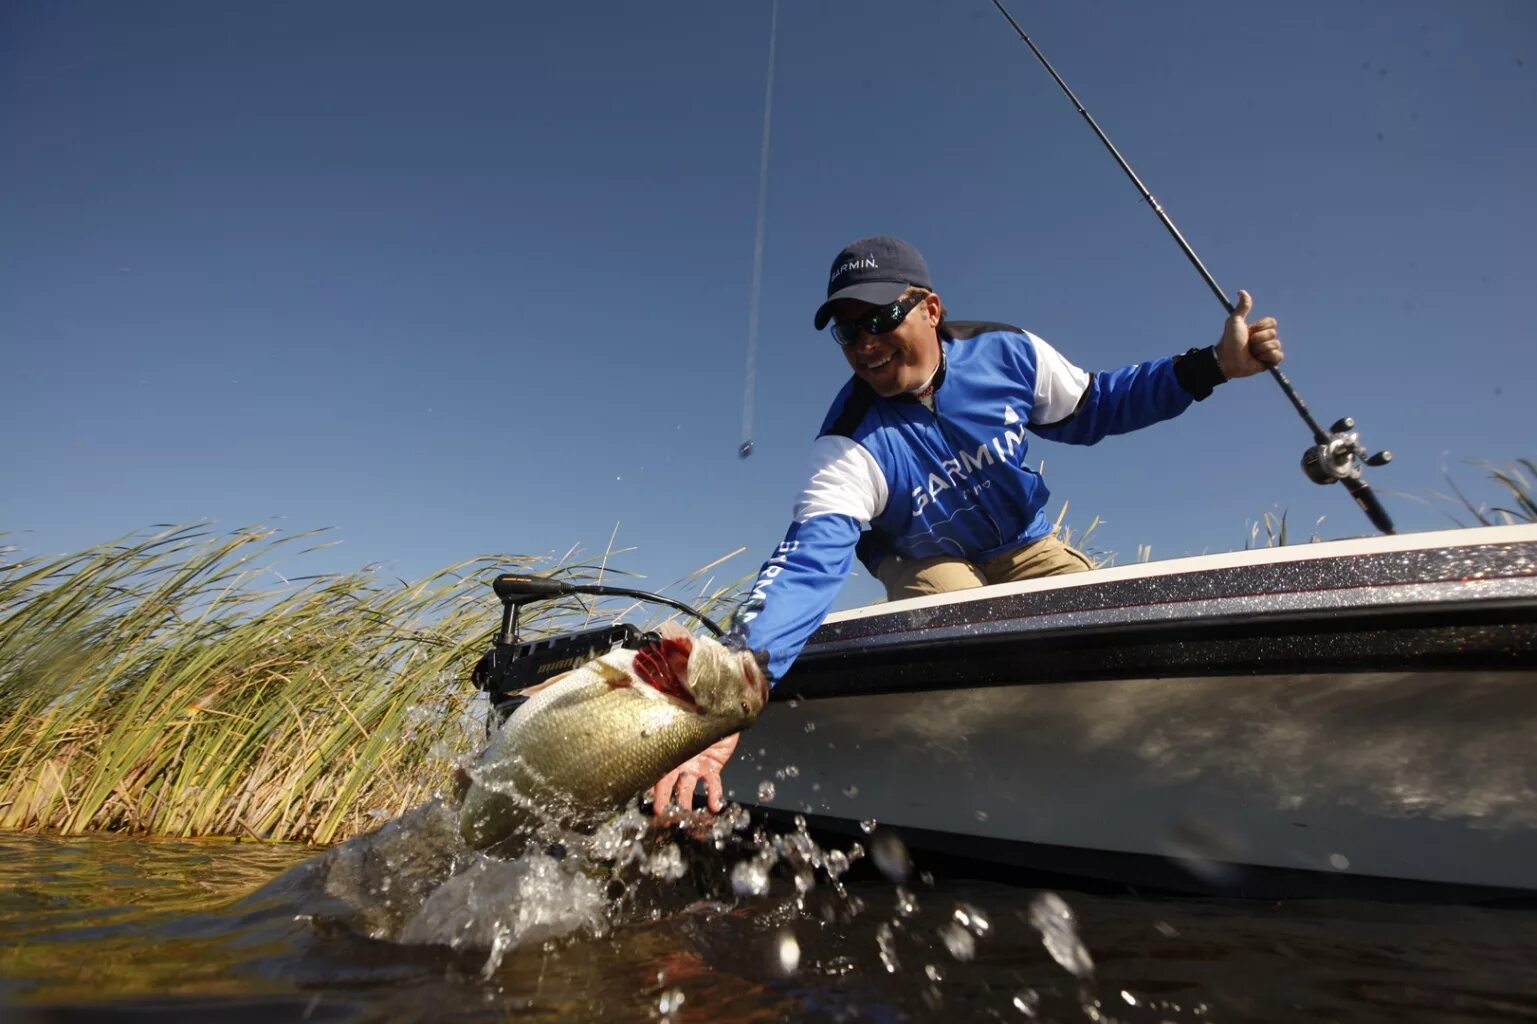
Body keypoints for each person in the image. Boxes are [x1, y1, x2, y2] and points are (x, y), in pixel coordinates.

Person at [651, 234, 1283, 815]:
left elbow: (1096, 405)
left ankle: (1135, 767)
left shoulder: (1008, 354)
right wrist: (726, 694)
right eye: (847, 333)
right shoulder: (847, 444)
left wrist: (1214, 366)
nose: (864, 344)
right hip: (923, 558)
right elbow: (809, 563)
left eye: (878, 319)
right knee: (960, 605)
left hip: (1026, 542)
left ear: (930, 307)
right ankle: (988, 782)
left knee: (1089, 615)